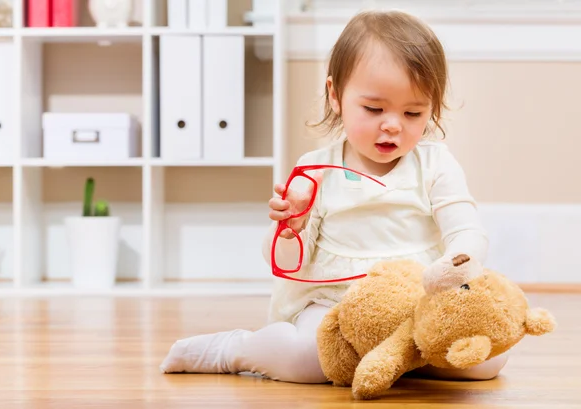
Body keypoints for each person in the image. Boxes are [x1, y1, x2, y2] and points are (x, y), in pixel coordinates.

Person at [159, 9, 508, 384]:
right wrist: (292, 229)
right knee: (302, 358)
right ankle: (233, 349)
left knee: (486, 361)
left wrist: (456, 266)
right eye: (374, 109)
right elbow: (284, 262)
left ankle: (394, 356)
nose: (393, 124)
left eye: (413, 112)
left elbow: (467, 232)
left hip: (415, 304)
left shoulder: (436, 163)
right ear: (335, 95)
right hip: (334, 307)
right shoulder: (315, 170)